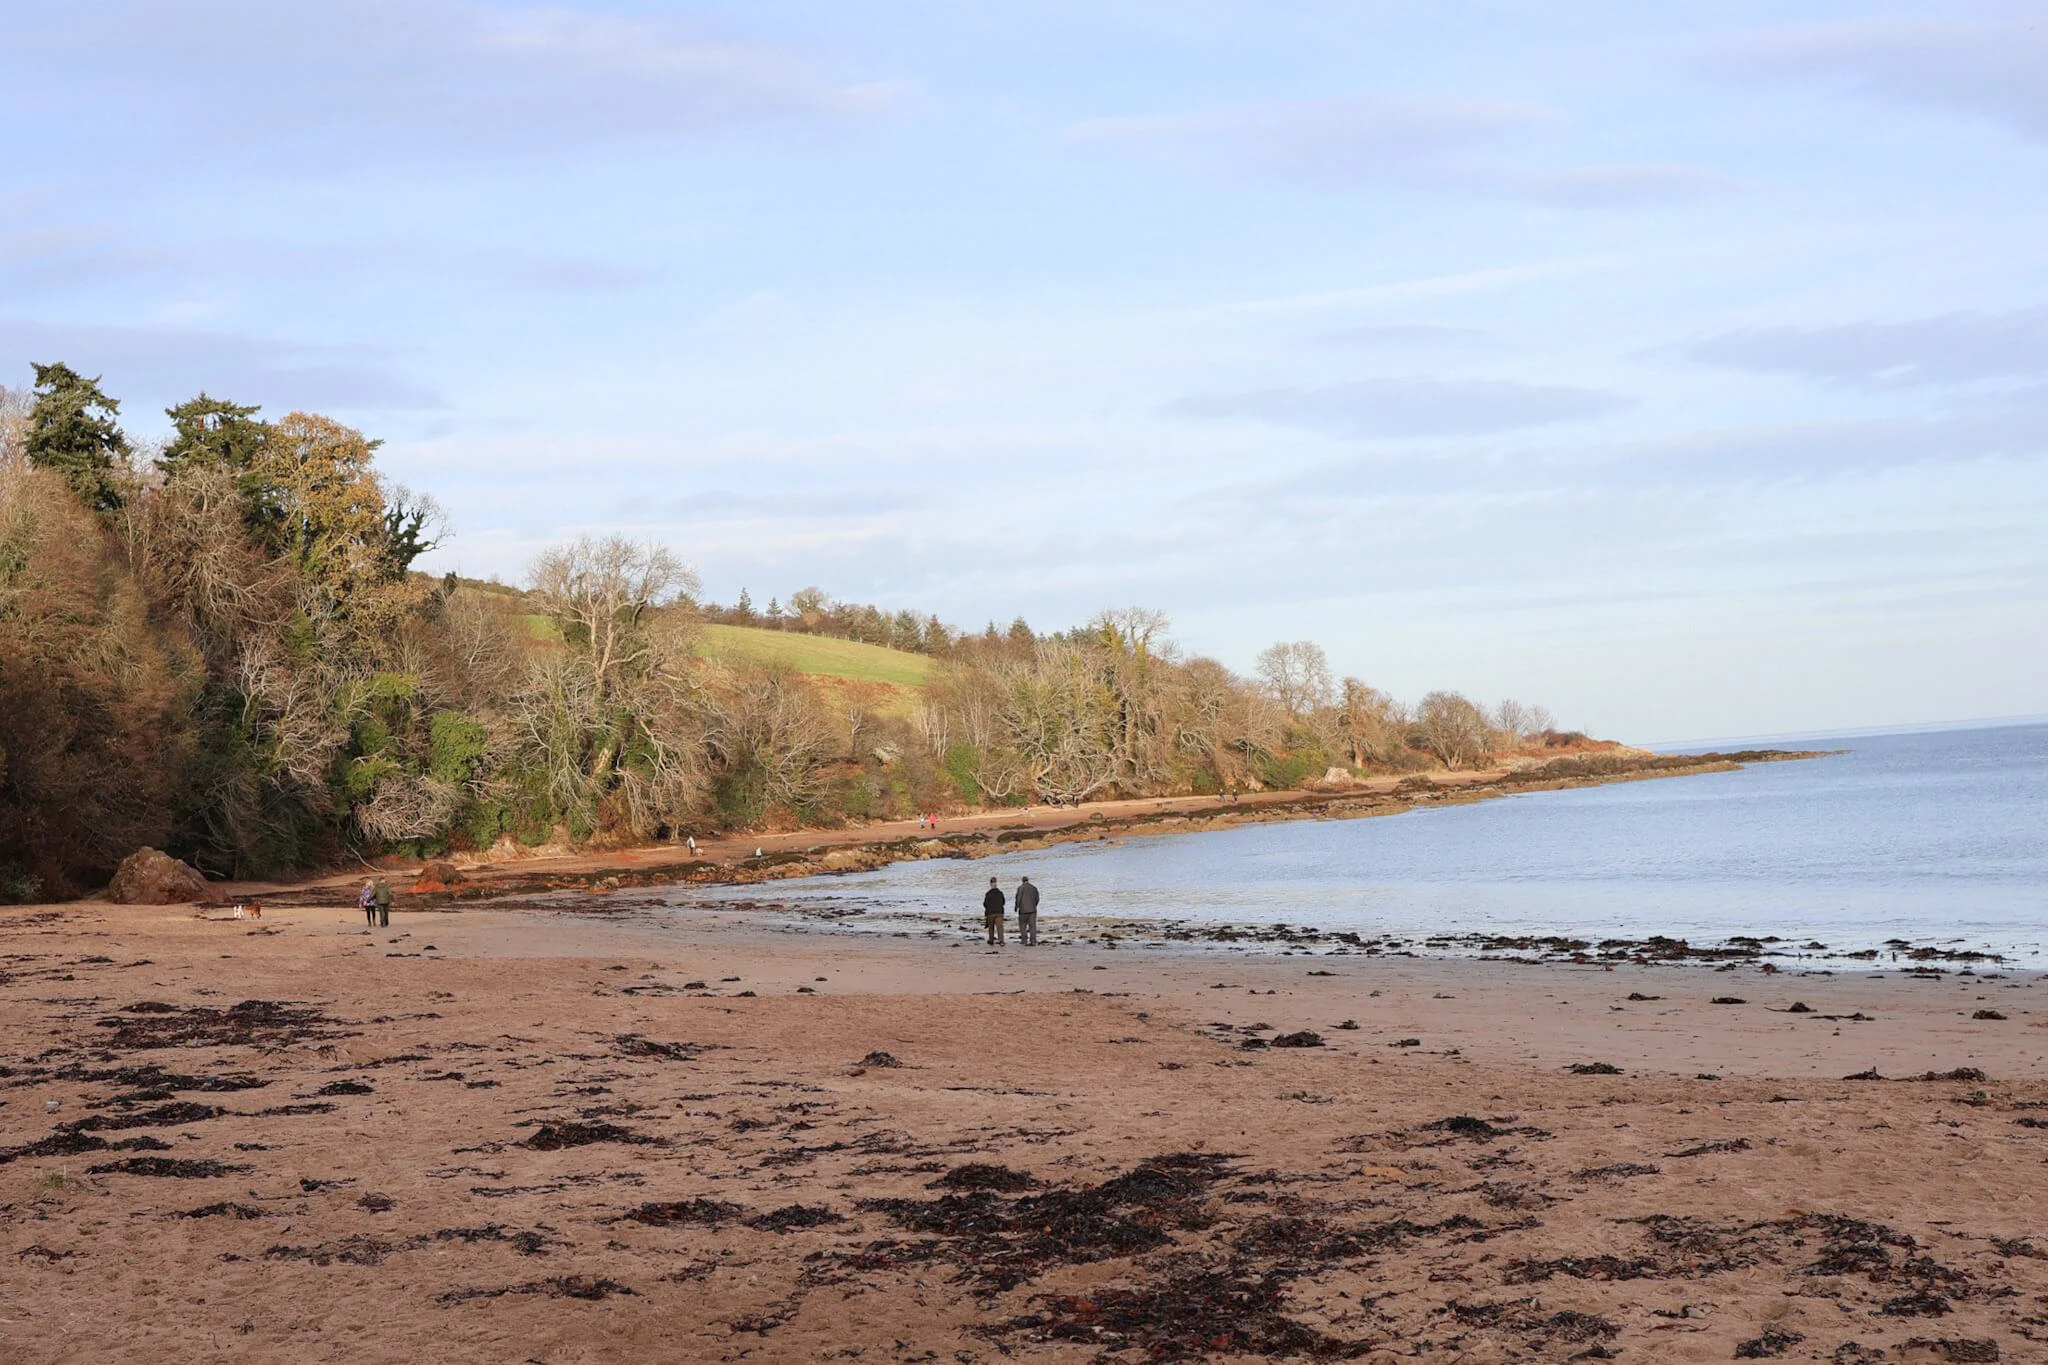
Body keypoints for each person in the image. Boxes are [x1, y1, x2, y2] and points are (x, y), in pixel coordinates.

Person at [1014, 875, 1040, 946]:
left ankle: (1024, 940)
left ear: (1022, 881)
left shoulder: (1020, 888)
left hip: (1023, 911)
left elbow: (1018, 899)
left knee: (1022, 926)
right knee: (1032, 926)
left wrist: (1016, 907)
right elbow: (1037, 898)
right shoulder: (1034, 888)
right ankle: (1033, 940)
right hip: (1032, 911)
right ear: (1028, 880)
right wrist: (1034, 905)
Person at [981, 876, 1006, 946]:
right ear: (996, 883)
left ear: (990, 884)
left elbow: (985, 904)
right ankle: (1001, 940)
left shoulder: (988, 894)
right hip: (999, 912)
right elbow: (1003, 902)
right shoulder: (1000, 893)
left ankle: (991, 940)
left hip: (991, 913)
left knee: (991, 927)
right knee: (1000, 927)